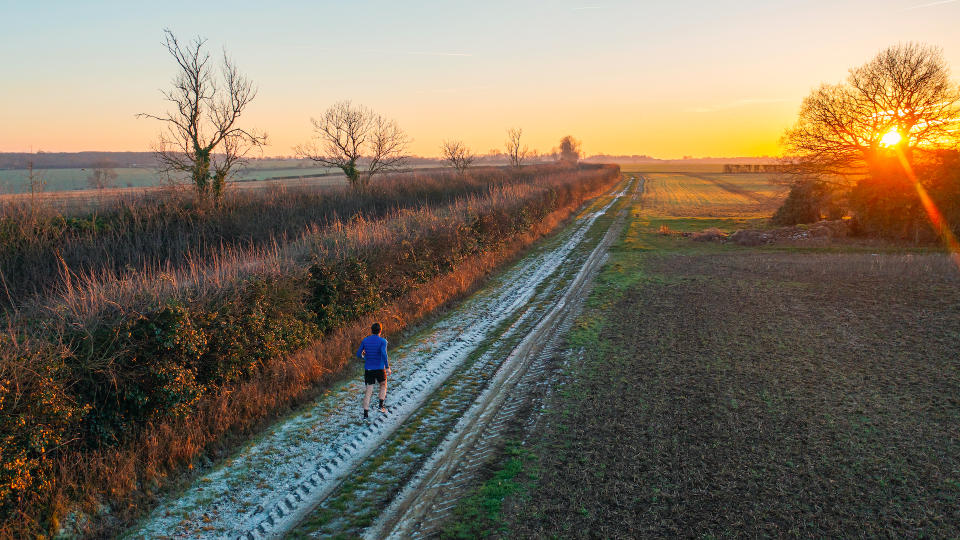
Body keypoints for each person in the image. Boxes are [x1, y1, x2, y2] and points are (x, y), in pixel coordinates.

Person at [356, 322, 391, 419]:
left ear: (371, 330)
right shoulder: (383, 341)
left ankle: (365, 415)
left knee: (368, 391)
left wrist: (365, 357)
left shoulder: (365, 340)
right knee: (383, 385)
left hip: (369, 369)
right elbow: (384, 354)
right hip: (380, 368)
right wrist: (387, 367)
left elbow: (359, 354)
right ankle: (381, 406)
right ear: (380, 331)